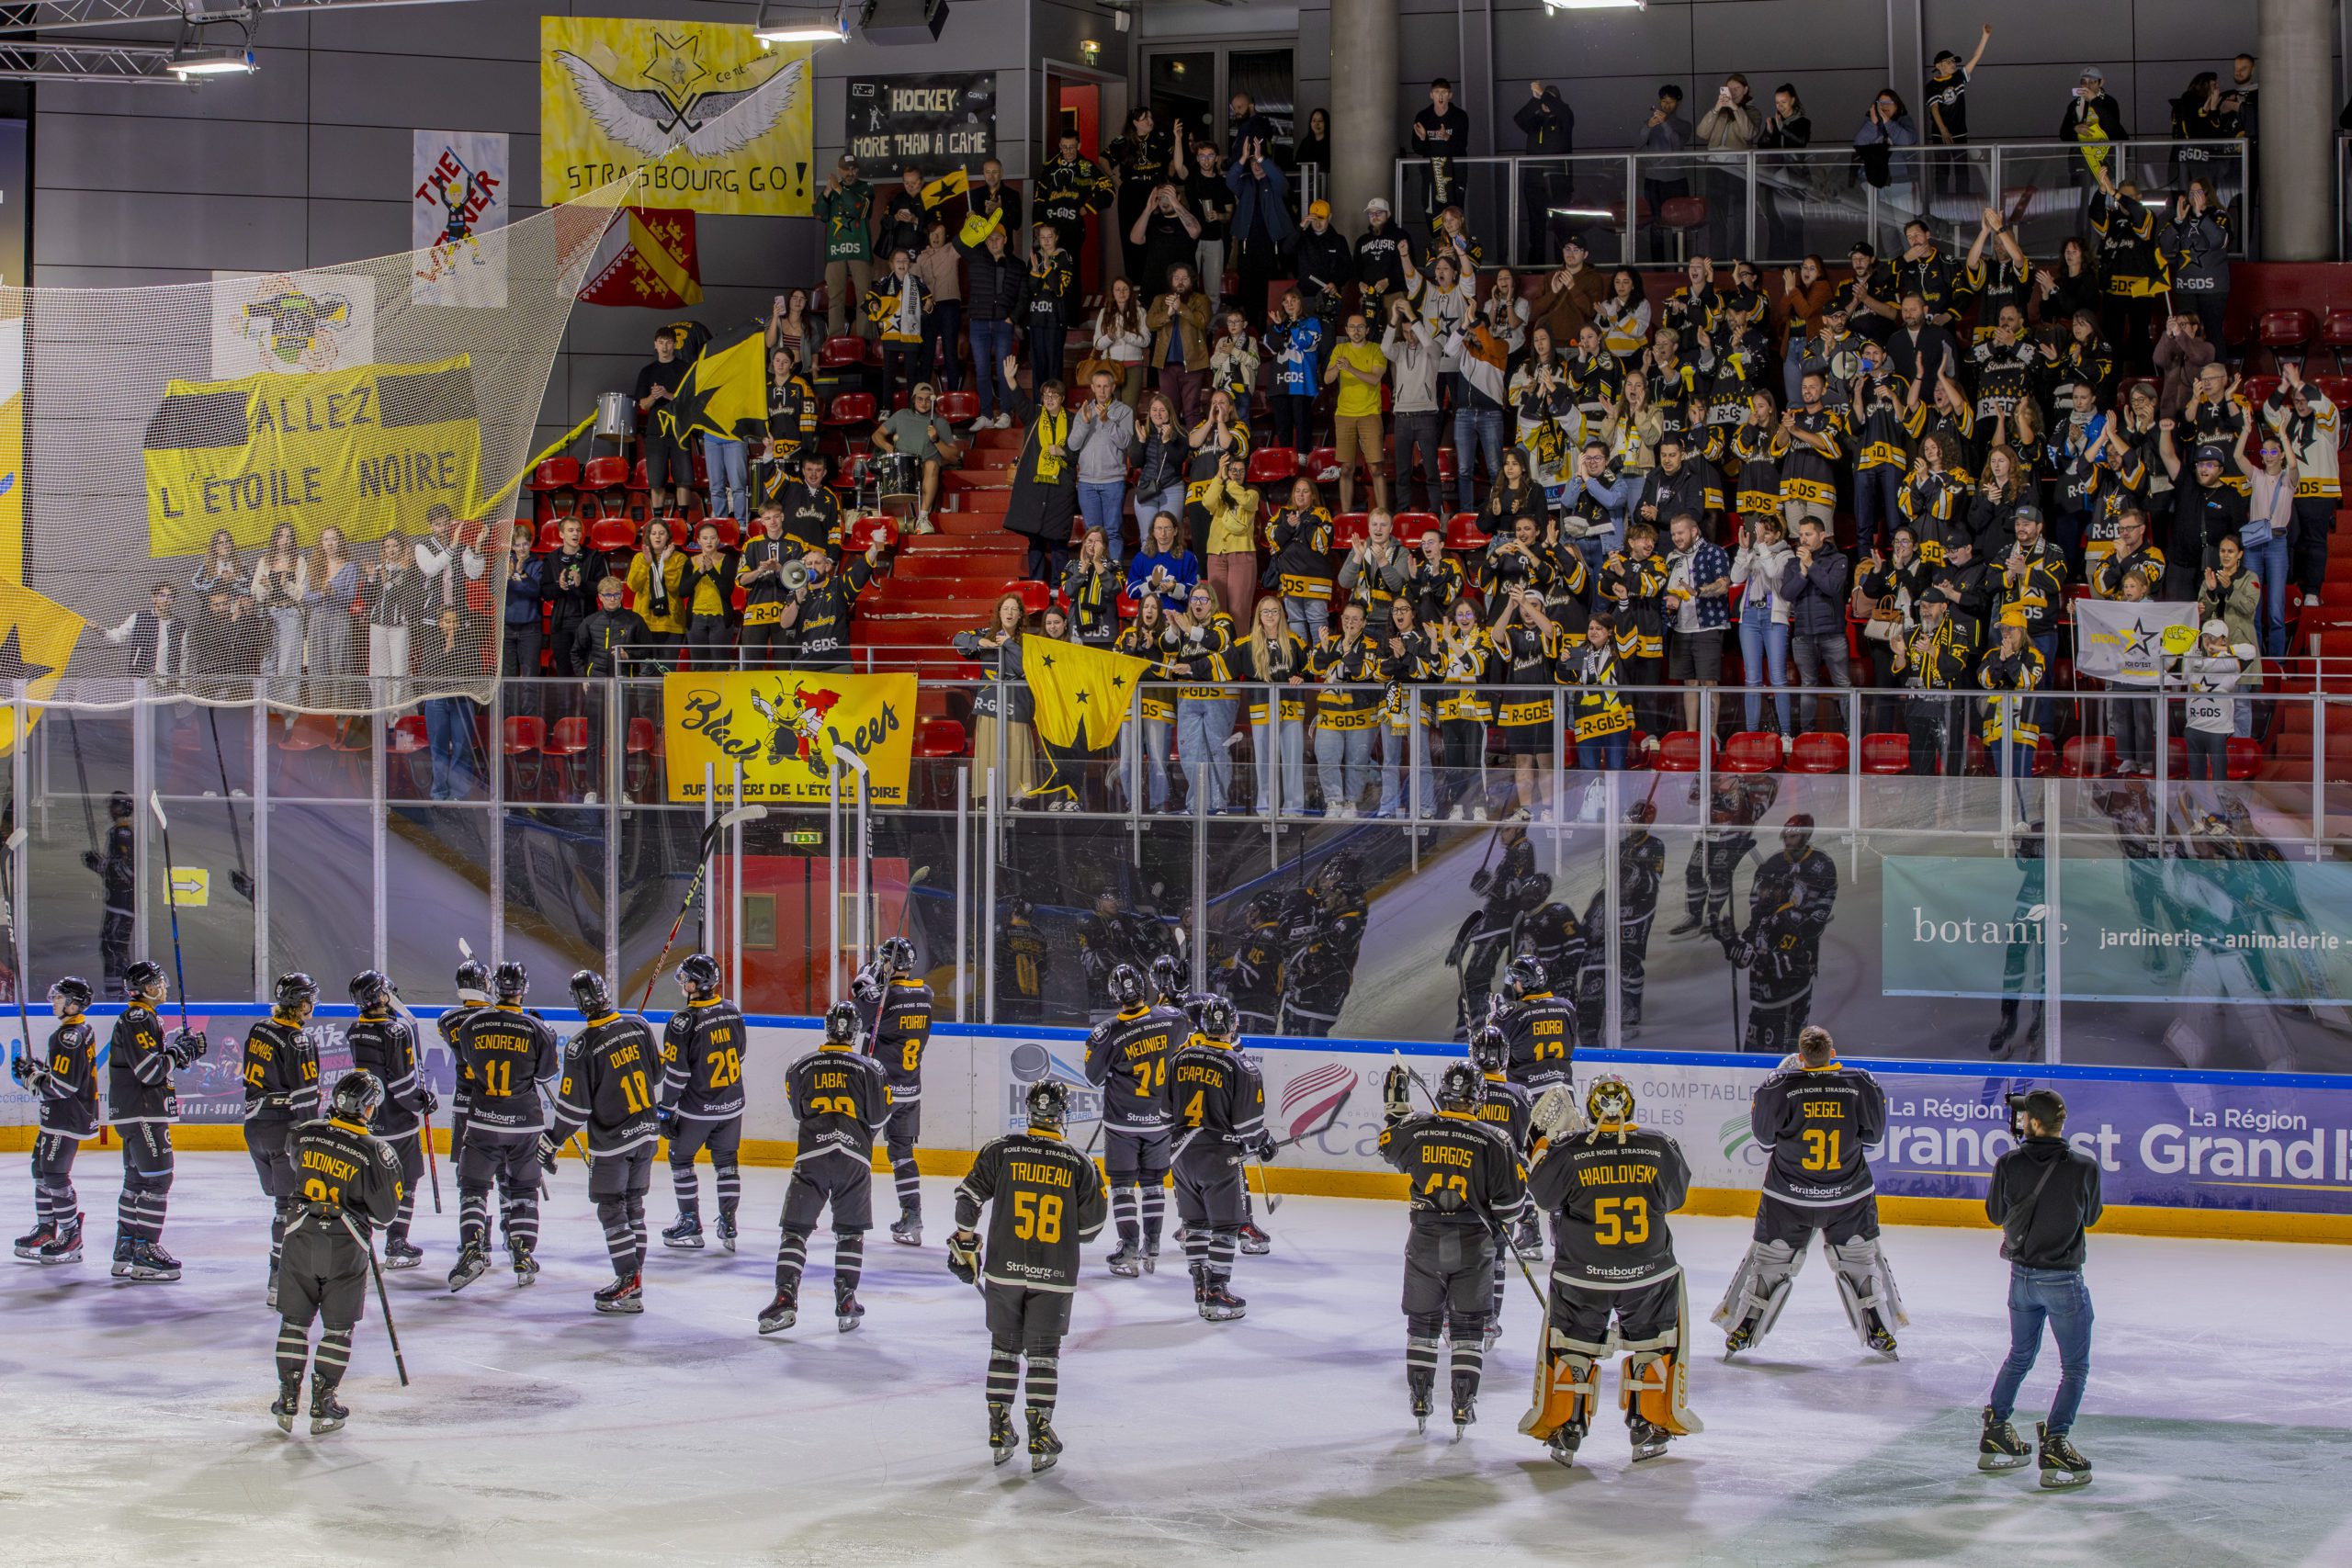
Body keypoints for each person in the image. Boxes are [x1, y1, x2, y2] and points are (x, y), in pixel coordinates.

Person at [1521, 1075, 1698, 1468]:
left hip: (1582, 1274)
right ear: (1630, 1106)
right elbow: (1676, 1198)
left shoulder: (1569, 1149)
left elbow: (1543, 1196)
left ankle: (1566, 1427)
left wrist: (1542, 1147)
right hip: (1648, 1273)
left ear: (1590, 1108)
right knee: (1654, 1346)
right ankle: (1648, 1427)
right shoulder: (1658, 1145)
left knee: (1573, 1348)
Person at [948, 1078, 1108, 1472]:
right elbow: (1091, 1230)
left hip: (1005, 1269)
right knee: (1043, 1353)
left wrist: (965, 1244)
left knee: (1004, 1347)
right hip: (1054, 1272)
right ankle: (1040, 1432)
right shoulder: (1081, 1163)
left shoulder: (1001, 1149)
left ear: (1029, 1111)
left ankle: (1000, 1427)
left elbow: (968, 1200)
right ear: (1062, 1115)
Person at [1714, 1024, 1900, 1357]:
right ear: (1833, 1054)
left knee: (1770, 1263)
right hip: (1848, 1197)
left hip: (1788, 1197)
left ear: (1801, 1057)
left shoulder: (1779, 1085)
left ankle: (1743, 1327)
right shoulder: (1861, 1083)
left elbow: (1765, 1140)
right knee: (1860, 1261)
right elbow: (1873, 1138)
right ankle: (1879, 1328)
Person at [1376, 1058, 1528, 1437]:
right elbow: (1512, 1208)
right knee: (1468, 1325)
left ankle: (1420, 1398)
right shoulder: (1495, 1140)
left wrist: (1396, 1111)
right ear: (1479, 1097)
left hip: (1426, 1242)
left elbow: (1388, 1147)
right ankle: (1462, 1403)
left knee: (1423, 1322)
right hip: (1473, 1246)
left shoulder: (1417, 1127)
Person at [267, 1069, 404, 1436]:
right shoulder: (376, 1151)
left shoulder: (304, 1133)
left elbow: (297, 1162)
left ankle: (287, 1397)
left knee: (294, 1321)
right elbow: (386, 1215)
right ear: (368, 1107)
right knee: (338, 1328)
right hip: (345, 1245)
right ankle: (323, 1402)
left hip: (300, 1237)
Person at [1980, 1087, 2102, 1488]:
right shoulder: (2084, 1167)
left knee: (2019, 1355)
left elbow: (1995, 1214)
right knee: (2075, 1367)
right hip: (2063, 1280)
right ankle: (2056, 1442)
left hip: (2022, 1280)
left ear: (2031, 1122)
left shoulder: (2009, 1163)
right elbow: (2092, 1217)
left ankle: (1996, 1430)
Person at [761, 1001, 892, 1336]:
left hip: (812, 1156)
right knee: (850, 1233)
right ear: (856, 1031)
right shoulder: (872, 1068)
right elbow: (879, 1117)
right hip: (854, 1158)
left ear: (828, 1027)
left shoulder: (800, 1066)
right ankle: (846, 1299)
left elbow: (798, 1112)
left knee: (795, 1231)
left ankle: (784, 1297)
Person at [539, 971, 662, 1314]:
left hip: (613, 1141)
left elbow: (574, 1109)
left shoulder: (582, 1046)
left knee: (611, 1206)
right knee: (633, 1205)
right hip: (647, 1132)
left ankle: (628, 1280)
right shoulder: (638, 1025)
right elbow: (657, 1074)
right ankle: (634, 1282)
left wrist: (553, 1141)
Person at [446, 961, 560, 1292]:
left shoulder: (472, 1024)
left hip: (483, 1120)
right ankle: (522, 1253)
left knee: (473, 1186)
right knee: (523, 1188)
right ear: (524, 989)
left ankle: (472, 1247)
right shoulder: (537, 1028)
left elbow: (470, 1063)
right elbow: (545, 1074)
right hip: (524, 1123)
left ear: (495, 987)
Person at [1169, 994, 1270, 1322]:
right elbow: (1248, 1127)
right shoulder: (1241, 1066)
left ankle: (1200, 1285)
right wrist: (1265, 1143)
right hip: (1220, 1158)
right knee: (1226, 1226)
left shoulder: (1180, 1059)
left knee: (1195, 1224)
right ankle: (1216, 1292)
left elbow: (1165, 1113)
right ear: (1234, 1025)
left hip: (1181, 1156)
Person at [1080, 963, 1181, 1276]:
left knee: (1123, 1185)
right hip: (1160, 1121)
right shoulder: (1171, 1019)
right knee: (1153, 1184)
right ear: (1143, 987)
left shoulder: (1108, 1031)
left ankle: (1129, 1249)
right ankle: (1153, 1244)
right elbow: (1183, 1032)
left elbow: (1093, 1077)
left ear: (1114, 995)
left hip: (1122, 1122)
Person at [106, 959, 202, 1280]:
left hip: (134, 1112)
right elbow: (149, 1071)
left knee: (136, 1181)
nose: (163, 987)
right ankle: (146, 1250)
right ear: (147, 987)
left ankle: (127, 1247)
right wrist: (178, 1053)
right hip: (143, 1112)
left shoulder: (142, 1017)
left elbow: (155, 1065)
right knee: (158, 1180)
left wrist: (182, 1053)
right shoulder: (139, 1017)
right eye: (158, 982)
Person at [652, 952, 746, 1254]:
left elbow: (677, 1074)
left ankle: (690, 1221)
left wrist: (666, 1109)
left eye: (685, 978)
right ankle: (728, 1222)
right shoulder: (731, 1010)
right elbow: (740, 1054)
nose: (681, 981)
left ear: (696, 984)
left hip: (698, 1109)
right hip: (732, 1105)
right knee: (727, 1163)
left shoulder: (683, 1022)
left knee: (680, 1159)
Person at [342, 970, 435, 1269]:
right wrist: (422, 1102)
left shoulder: (355, 1030)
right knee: (407, 1180)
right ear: (379, 996)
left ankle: (357, 1245)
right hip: (397, 1123)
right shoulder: (396, 1031)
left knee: (365, 1183)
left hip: (366, 1121)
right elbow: (402, 1086)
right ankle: (396, 1241)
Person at [243, 972, 324, 1308]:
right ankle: (281, 1278)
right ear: (301, 1003)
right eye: (310, 999)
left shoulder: (259, 1029)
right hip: (285, 1131)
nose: (313, 1004)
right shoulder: (298, 1040)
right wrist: (315, 1134)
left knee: (284, 1205)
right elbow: (305, 1097)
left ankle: (286, 1273)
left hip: (255, 1128)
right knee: (293, 1207)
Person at [11, 976, 100, 1266]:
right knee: (40, 1170)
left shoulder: (68, 1036)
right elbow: (64, 1074)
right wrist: (39, 1070)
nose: (54, 1001)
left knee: (54, 1175)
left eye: (59, 997)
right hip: (59, 1116)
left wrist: (31, 1077)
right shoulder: (77, 1030)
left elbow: (64, 1086)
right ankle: (46, 1230)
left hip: (67, 1116)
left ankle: (71, 1234)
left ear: (74, 1004)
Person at [862, 935, 933, 1247]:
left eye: (884, 961)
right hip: (910, 1089)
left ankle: (851, 1217)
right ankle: (912, 1215)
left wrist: (864, 988)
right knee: (903, 1154)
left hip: (880, 1090)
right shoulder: (926, 993)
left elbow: (855, 1022)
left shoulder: (884, 996)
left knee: (857, 1150)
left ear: (890, 963)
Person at [1000, 354, 1080, 582]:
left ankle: (1058, 585)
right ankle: (1036, 582)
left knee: (1058, 540)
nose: (1049, 399)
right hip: (1034, 487)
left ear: (1062, 398)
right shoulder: (1034, 415)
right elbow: (1020, 402)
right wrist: (1011, 380)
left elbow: (1079, 453)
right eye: (1046, 395)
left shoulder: (1073, 421)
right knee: (1034, 539)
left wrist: (1063, 452)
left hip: (1061, 488)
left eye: (1054, 395)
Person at [956, 211, 1027, 430]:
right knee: (982, 369)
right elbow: (958, 243)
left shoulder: (1017, 265)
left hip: (1003, 323)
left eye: (997, 238)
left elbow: (1024, 296)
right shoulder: (976, 256)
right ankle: (986, 414)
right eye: (989, 238)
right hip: (978, 322)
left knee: (1005, 370)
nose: (993, 242)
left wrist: (1012, 318)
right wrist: (970, 225)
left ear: (1005, 240)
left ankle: (1005, 413)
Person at [1663, 512, 1732, 734]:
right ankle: (1692, 735)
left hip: (1708, 626)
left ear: (1694, 531)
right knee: (1689, 683)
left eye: (1680, 533)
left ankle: (1711, 734)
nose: (1676, 538)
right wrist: (1672, 601)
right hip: (1680, 628)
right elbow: (1671, 589)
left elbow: (1723, 585)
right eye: (1673, 534)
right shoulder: (1671, 557)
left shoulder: (1714, 551)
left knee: (1708, 682)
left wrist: (1698, 592)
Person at [872, 378, 959, 533]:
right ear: (913, 400)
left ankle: (923, 518)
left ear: (933, 402)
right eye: (920, 399)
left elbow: (954, 456)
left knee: (932, 464)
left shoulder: (940, 423)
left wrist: (936, 440)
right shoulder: (901, 415)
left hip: (925, 469)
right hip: (901, 468)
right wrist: (887, 446)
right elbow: (876, 435)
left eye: (928, 400)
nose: (924, 403)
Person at [1384, 298, 1444, 513]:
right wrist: (1394, 318)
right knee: (1402, 471)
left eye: (1413, 332)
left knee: (1431, 470)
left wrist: (1410, 314)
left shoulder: (1432, 348)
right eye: (1406, 332)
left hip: (1426, 416)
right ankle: (1403, 512)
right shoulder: (1399, 349)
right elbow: (1384, 348)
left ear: (1421, 329)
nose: (1410, 336)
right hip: (1402, 417)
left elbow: (1428, 343)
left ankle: (1435, 512)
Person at [1224, 137, 1294, 315]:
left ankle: (1268, 323)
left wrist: (1262, 158)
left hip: (1271, 244)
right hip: (1247, 245)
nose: (1256, 165)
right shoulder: (1245, 182)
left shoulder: (1274, 183)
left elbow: (1282, 182)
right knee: (1248, 287)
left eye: (1259, 161)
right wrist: (1243, 158)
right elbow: (1230, 180)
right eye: (1253, 162)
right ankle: (1251, 322)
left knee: (1269, 288)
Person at [1513, 81, 1577, 265]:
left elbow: (1564, 111)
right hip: (1534, 183)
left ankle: (1563, 267)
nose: (1546, 103)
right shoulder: (1535, 121)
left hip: (1559, 183)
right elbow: (1519, 118)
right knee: (1536, 227)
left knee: (1561, 227)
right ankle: (1536, 269)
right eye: (1544, 100)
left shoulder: (1564, 120)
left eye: (1550, 99)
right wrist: (1535, 100)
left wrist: (1545, 95)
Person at [632, 328, 695, 514]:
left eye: (668, 342)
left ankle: (683, 521)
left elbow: (689, 401)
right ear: (655, 345)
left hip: (679, 430)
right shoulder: (647, 371)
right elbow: (643, 405)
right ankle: (658, 519)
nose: (664, 347)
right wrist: (654, 396)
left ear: (674, 345)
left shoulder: (685, 369)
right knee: (656, 480)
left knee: (683, 479)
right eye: (661, 342)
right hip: (655, 431)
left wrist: (667, 395)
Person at [1925, 26, 1994, 193]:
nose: (1953, 64)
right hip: (1940, 134)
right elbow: (1934, 108)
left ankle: (1962, 201)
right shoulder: (1932, 85)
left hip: (1960, 132)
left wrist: (1985, 36)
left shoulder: (1958, 78)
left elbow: (1975, 57)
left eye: (1953, 61)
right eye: (1948, 62)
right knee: (1942, 171)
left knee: (1962, 170)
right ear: (1938, 65)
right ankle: (1941, 203)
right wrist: (1943, 130)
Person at [1146, 265, 1214, 423]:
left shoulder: (1201, 299)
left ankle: (1194, 440)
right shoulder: (1160, 300)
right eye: (1177, 278)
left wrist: (1180, 308)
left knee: (1192, 410)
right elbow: (1150, 323)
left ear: (1191, 281)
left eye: (1185, 278)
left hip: (1193, 363)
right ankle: (1170, 440)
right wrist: (1168, 313)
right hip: (1166, 365)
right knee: (1168, 410)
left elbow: (1202, 321)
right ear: (1171, 280)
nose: (1180, 282)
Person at [1635, 85, 1694, 264]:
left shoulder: (1684, 125)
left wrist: (1665, 123)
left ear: (1678, 102)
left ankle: (1680, 265)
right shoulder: (1649, 123)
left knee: (1679, 224)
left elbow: (1677, 145)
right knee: (1655, 224)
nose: (1667, 105)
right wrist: (1648, 126)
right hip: (1653, 180)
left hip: (1676, 180)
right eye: (1663, 101)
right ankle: (1658, 268)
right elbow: (1637, 144)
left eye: (1671, 102)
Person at [1024, 222, 1080, 386]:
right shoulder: (1035, 257)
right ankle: (1039, 401)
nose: (1046, 241)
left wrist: (1048, 269)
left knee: (1053, 367)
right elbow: (1031, 290)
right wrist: (1035, 271)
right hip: (1036, 319)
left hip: (1055, 320)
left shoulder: (1064, 257)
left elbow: (1059, 290)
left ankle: (1055, 400)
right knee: (1038, 367)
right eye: (1042, 237)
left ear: (1056, 237)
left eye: (1050, 237)